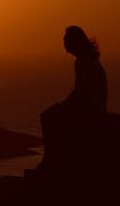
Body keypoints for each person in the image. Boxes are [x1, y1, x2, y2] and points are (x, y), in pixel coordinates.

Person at [40, 26, 108, 167]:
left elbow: (82, 92)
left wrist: (63, 106)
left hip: (90, 110)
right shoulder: (87, 59)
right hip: (93, 107)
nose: (64, 43)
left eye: (66, 40)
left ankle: (50, 160)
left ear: (74, 42)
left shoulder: (82, 61)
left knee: (48, 117)